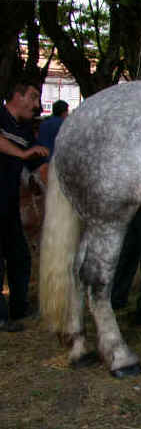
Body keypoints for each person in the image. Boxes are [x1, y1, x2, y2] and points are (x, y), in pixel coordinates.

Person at [0, 80, 49, 331]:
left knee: (19, 254)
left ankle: (19, 307)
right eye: (33, 97)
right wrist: (21, 155)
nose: (37, 104)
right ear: (16, 96)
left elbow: (38, 163)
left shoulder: (26, 129)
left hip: (7, 203)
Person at [38, 100, 68, 183]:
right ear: (64, 112)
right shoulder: (64, 124)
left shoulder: (44, 123)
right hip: (56, 163)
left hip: (42, 160)